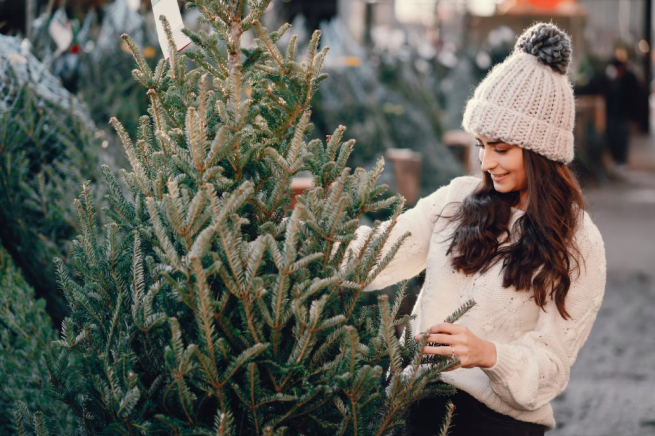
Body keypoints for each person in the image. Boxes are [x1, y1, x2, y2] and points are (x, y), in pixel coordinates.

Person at [349, 23, 607, 435]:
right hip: (415, 407)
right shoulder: (457, 200)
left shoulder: (578, 241)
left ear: (541, 152)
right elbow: (381, 253)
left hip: (497, 423)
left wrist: (488, 354)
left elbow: (552, 368)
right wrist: (307, 238)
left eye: (501, 149)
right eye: (481, 146)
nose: (486, 162)